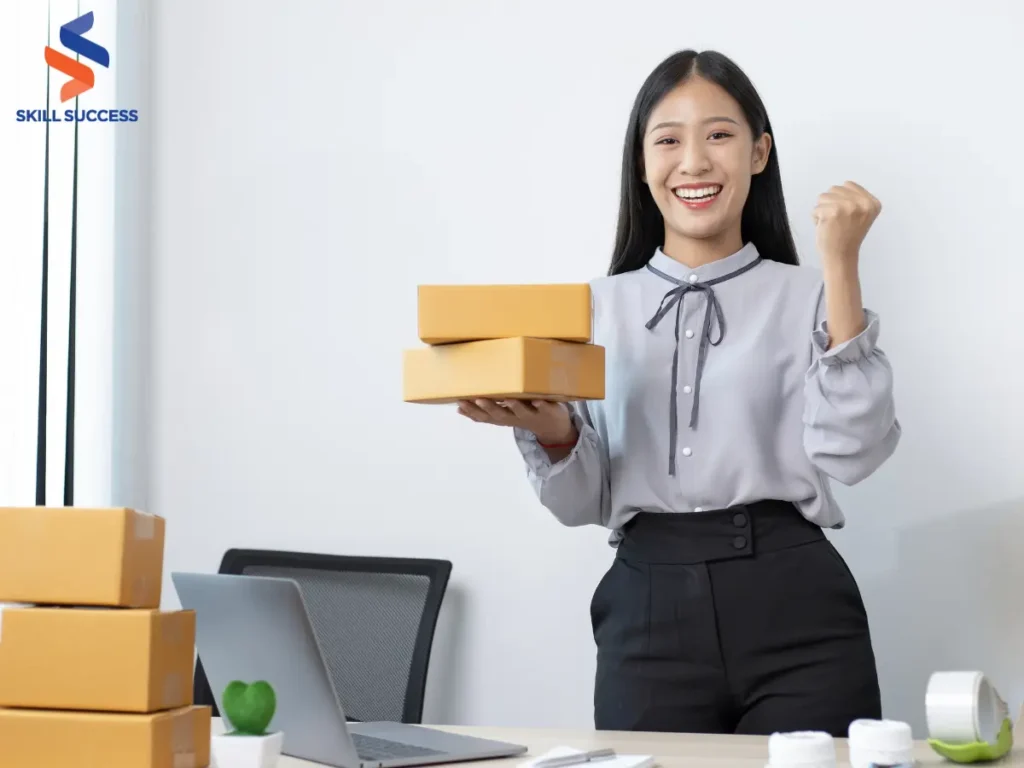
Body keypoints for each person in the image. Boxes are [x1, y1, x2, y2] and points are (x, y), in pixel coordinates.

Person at [456, 49, 900, 737]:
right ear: (641, 162)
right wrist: (553, 432)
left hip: (799, 605)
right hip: (647, 606)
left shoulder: (811, 293)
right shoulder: (589, 311)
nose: (693, 162)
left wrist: (840, 265)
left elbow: (856, 453)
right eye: (668, 140)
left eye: (719, 135)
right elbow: (580, 506)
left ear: (759, 152)